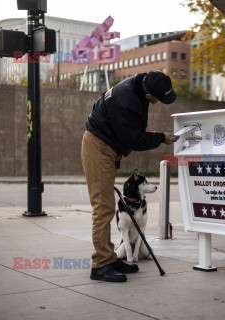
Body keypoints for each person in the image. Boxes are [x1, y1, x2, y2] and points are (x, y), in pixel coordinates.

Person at [81, 71, 179, 282]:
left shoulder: (138, 85)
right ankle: (100, 264)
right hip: (99, 148)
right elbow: (135, 139)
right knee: (103, 208)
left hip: (105, 147)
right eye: (158, 99)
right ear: (149, 95)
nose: (158, 102)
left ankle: (109, 257)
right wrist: (162, 138)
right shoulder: (127, 101)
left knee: (105, 207)